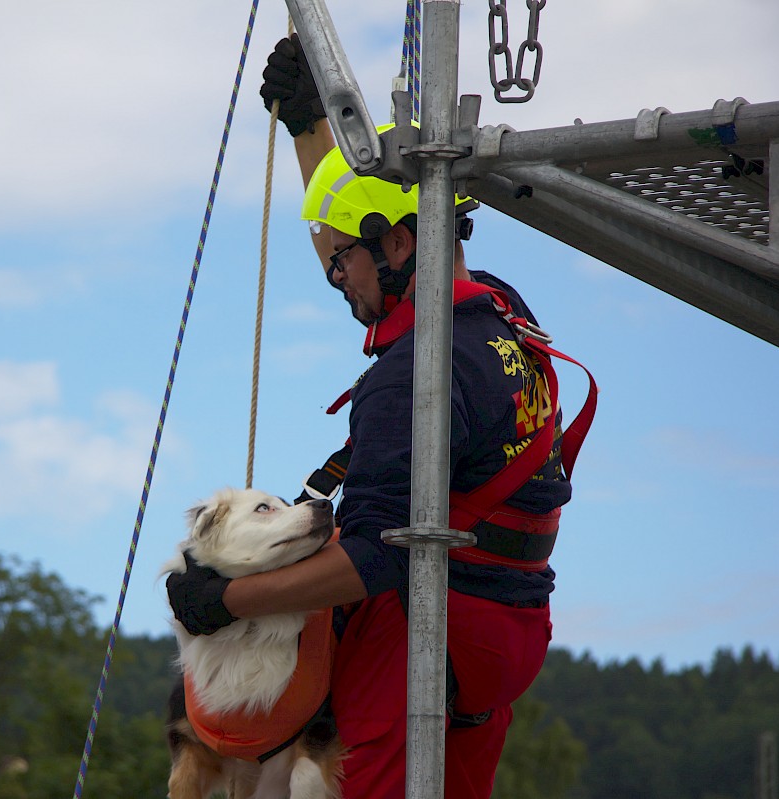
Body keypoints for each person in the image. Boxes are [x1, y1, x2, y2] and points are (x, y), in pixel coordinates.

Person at [168, 35, 595, 799]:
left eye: (342, 265)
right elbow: (357, 225)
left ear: (400, 244)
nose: (334, 279)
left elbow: (370, 560)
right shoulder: (497, 314)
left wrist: (224, 600)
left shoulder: (413, 381)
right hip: (511, 631)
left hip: (432, 629)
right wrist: (310, 129)